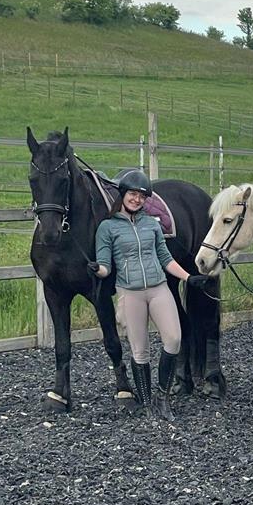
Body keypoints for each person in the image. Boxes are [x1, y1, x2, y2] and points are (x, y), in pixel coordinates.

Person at [88, 169, 211, 419]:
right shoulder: (107, 228)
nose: (137, 199)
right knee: (140, 351)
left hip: (158, 288)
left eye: (142, 196)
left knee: (173, 339)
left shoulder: (151, 224)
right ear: (123, 194)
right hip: (130, 293)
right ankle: (147, 403)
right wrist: (97, 270)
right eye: (133, 194)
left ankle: (162, 397)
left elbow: (165, 258)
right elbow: (105, 265)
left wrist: (189, 277)